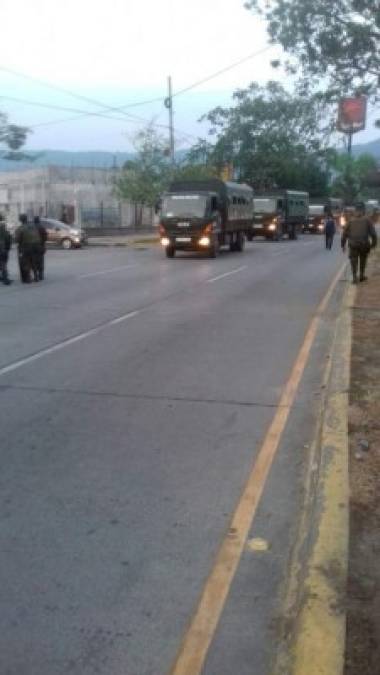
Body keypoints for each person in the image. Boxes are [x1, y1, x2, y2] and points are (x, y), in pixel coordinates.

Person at [341, 202, 378, 283]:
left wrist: (343, 245)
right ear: (363, 210)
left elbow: (344, 234)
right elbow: (373, 234)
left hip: (353, 244)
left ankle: (354, 277)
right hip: (364, 244)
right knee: (363, 259)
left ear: (355, 210)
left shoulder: (350, 221)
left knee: (353, 260)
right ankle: (361, 275)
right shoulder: (367, 220)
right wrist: (373, 244)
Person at [15, 214, 41, 283]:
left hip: (25, 247)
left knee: (25, 262)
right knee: (33, 262)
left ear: (21, 220)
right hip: (36, 246)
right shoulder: (33, 226)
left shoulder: (20, 228)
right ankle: (36, 277)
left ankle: (28, 278)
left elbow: (17, 239)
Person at [0, 214, 12, 285]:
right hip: (2, 248)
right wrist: (8, 248)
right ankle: (5, 279)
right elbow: (7, 238)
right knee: (3, 263)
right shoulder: (2, 227)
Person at [34, 216, 47, 280]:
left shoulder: (32, 227)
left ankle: (35, 275)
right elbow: (45, 237)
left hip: (33, 246)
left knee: (34, 261)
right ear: (39, 220)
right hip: (40, 245)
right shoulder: (42, 227)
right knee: (41, 260)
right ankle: (41, 275)